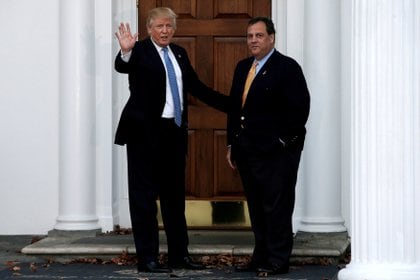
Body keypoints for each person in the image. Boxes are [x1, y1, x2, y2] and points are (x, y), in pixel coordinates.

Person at [114, 7, 228, 273]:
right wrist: (126, 51)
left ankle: (179, 255)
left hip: (173, 134)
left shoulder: (179, 53)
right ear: (150, 29)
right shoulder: (139, 50)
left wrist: (232, 105)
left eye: (169, 26)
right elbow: (122, 66)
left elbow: (197, 87)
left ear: (174, 29)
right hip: (144, 135)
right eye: (159, 26)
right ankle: (148, 258)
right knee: (143, 199)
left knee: (174, 199)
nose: (165, 31)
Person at [226, 17, 310, 276]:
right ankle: (260, 257)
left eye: (259, 35)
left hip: (276, 154)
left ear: (272, 37)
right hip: (247, 151)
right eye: (250, 36)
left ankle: (278, 260)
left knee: (277, 207)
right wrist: (232, 143)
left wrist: (282, 142)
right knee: (257, 207)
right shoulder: (242, 68)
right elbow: (234, 108)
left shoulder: (287, 68)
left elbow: (299, 110)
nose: (253, 40)